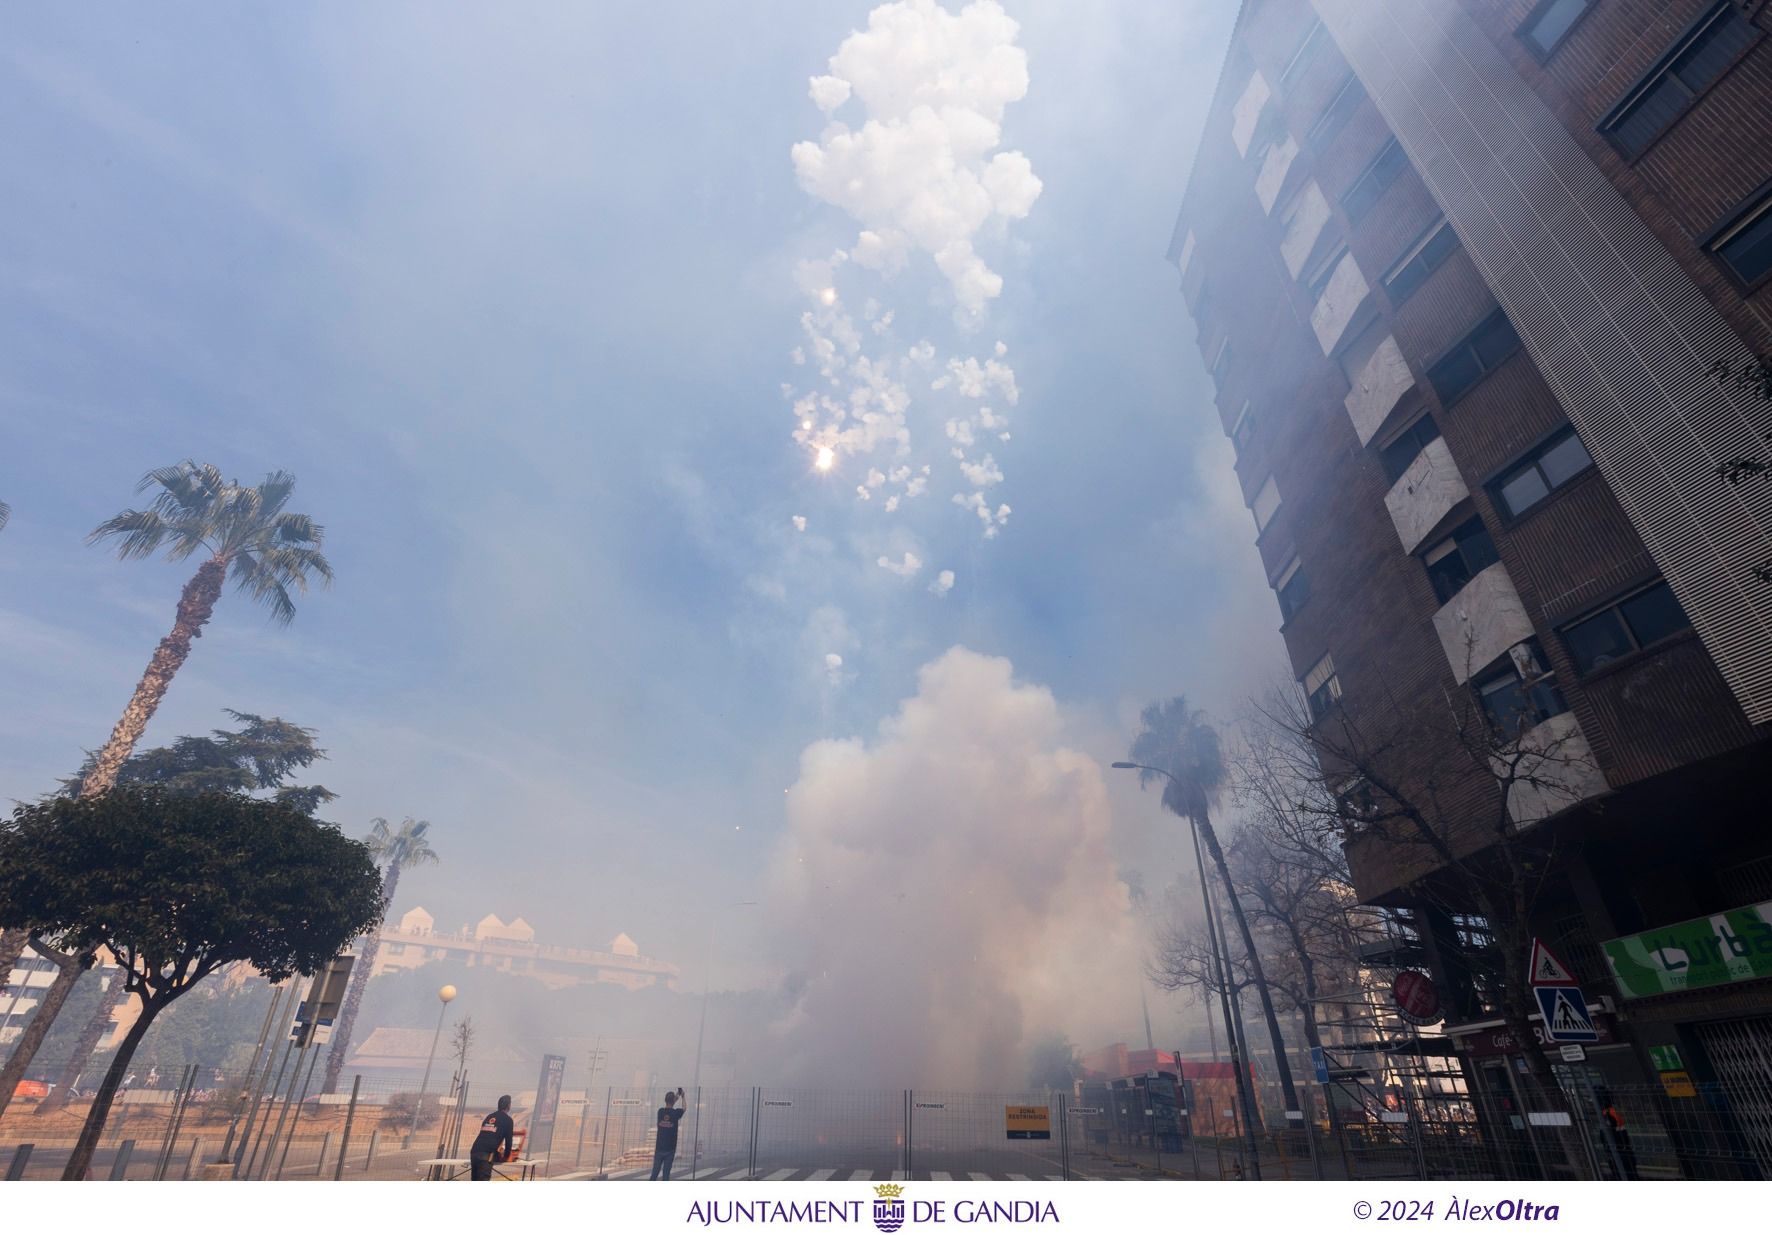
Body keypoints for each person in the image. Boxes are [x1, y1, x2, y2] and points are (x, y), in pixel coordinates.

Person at [469, 1095, 516, 1181]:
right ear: (508, 1106)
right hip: (486, 1155)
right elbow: (509, 1140)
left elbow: (487, 1135)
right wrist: (506, 1156)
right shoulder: (508, 1120)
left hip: (475, 1151)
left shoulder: (489, 1117)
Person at [650, 1088, 687, 1180]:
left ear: (665, 1100)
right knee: (666, 1175)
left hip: (659, 1148)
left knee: (654, 1173)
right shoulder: (675, 1113)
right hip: (670, 1149)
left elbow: (671, 1101)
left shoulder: (660, 1112)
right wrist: (682, 1096)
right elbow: (684, 1108)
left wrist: (676, 1095)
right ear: (673, 1101)